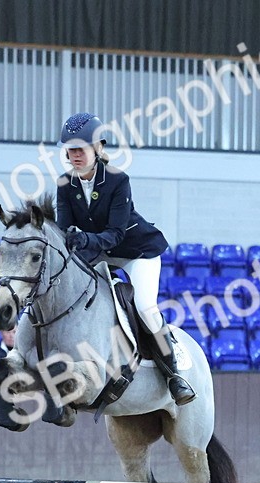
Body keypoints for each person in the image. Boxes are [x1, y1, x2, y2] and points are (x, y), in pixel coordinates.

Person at [55, 113, 194, 405]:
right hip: (95, 251)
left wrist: (84, 239)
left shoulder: (118, 180)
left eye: (81, 148)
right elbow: (64, 228)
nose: (75, 155)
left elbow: (116, 234)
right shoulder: (65, 184)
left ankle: (173, 376)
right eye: (71, 149)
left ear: (98, 148)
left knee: (144, 307)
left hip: (135, 252)